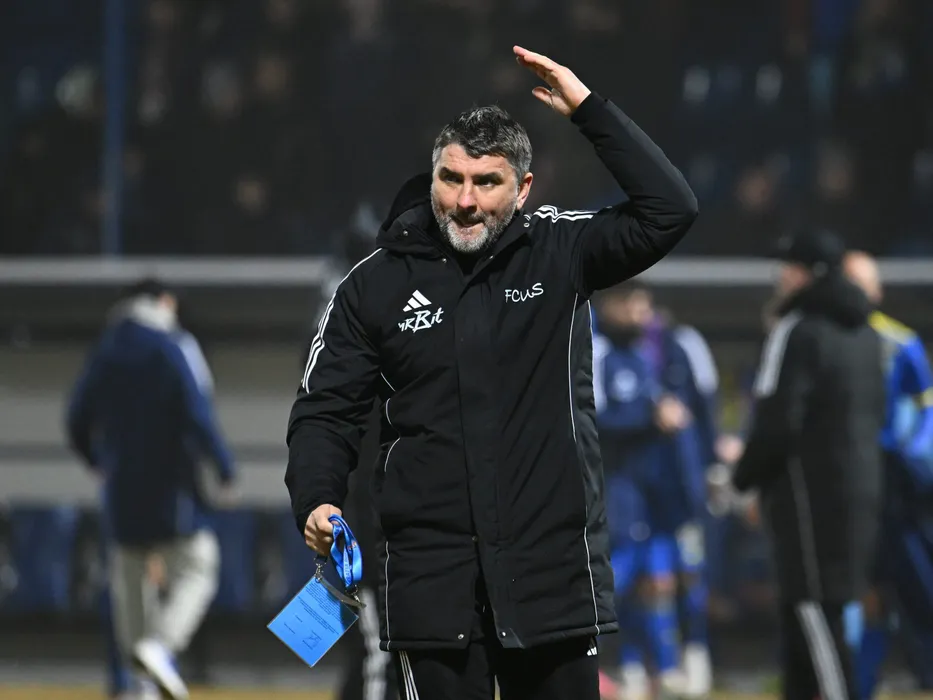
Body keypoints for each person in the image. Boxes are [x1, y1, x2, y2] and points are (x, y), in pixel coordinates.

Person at [285, 46, 698, 700]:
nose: (465, 200)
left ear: (524, 189)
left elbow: (670, 209)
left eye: (487, 182)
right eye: (451, 178)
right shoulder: (373, 286)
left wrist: (589, 111)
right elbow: (324, 409)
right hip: (431, 586)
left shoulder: (561, 252)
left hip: (551, 579)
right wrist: (316, 497)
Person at [731, 229, 885, 700]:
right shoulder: (867, 333)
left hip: (807, 498)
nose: (782, 277)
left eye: (789, 267)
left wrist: (742, 478)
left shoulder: (797, 329)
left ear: (808, 274)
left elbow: (777, 419)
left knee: (814, 610)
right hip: (860, 489)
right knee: (812, 618)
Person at [66, 278, 236, 700]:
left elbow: (76, 417)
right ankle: (162, 646)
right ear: (162, 302)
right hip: (171, 487)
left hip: (121, 490)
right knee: (199, 566)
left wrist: (96, 459)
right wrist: (223, 466)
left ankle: (137, 683)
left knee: (129, 581)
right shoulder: (171, 346)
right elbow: (197, 411)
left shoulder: (106, 350)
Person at [592, 283, 708, 699]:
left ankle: (662, 669)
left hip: (656, 491)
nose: (640, 315)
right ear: (609, 304)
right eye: (631, 305)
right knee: (616, 581)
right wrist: (650, 416)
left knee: (659, 581)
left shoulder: (649, 352)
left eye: (644, 307)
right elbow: (591, 419)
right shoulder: (596, 351)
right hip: (616, 489)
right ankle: (605, 666)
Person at [843, 251, 933, 697]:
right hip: (846, 486)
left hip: (897, 489)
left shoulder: (900, 343)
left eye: (864, 283)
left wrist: (914, 457)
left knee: (916, 585)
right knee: (862, 591)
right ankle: (857, 683)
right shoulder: (825, 339)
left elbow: (926, 409)